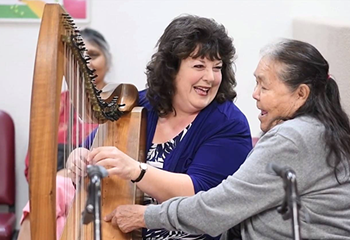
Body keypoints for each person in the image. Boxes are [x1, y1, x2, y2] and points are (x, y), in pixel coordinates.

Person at [102, 39, 350, 240]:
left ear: (301, 94)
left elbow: (219, 207)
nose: (254, 94)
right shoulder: (315, 129)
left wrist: (145, 216)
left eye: (264, 86)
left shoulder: (292, 137)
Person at [68, 15, 252, 240]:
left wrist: (136, 171)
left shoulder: (228, 123)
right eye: (199, 66)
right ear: (172, 70)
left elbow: (200, 193)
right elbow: (90, 149)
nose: (210, 78)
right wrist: (78, 157)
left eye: (217, 67)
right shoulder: (143, 103)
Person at [18, 27, 116, 240]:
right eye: (80, 57)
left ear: (107, 61)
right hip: (56, 195)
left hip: (105, 193)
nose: (87, 63)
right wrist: (63, 176)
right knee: (58, 216)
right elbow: (32, 169)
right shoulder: (52, 105)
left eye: (93, 55)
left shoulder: (120, 105)